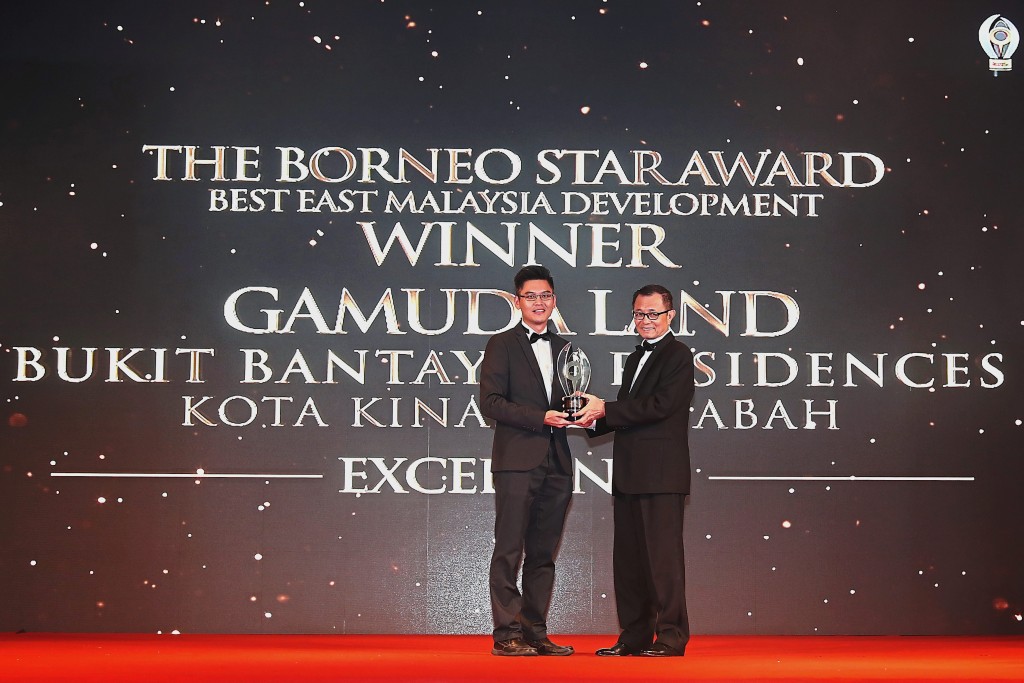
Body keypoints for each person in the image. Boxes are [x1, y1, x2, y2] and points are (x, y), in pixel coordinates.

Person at [575, 283, 694, 657]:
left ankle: (672, 637)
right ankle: (634, 636)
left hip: (662, 475)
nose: (645, 321)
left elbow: (661, 405)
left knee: (663, 560)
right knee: (629, 562)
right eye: (639, 314)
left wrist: (606, 409)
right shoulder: (633, 357)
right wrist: (590, 420)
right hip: (630, 473)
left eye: (653, 314)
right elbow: (630, 410)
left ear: (670, 315)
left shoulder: (678, 354)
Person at [479, 265, 575, 657]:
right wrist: (540, 417)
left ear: (554, 300)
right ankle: (507, 635)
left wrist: (581, 410)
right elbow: (490, 403)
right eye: (531, 296)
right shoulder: (501, 344)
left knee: (543, 553)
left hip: (558, 462)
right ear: (518, 301)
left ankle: (535, 631)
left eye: (546, 295)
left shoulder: (567, 348)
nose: (540, 302)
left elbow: (571, 398)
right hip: (517, 461)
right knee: (509, 549)